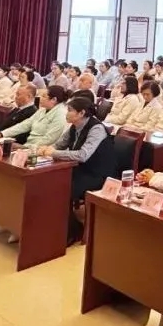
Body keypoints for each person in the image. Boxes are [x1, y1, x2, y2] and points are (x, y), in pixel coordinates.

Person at [37, 97, 116, 245]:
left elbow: (83, 155)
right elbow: (59, 145)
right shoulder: (74, 126)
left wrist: (53, 153)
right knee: (46, 181)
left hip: (96, 174)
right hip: (78, 169)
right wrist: (46, 149)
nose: (66, 113)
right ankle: (48, 226)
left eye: (70, 110)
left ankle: (74, 231)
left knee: (61, 190)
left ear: (81, 113)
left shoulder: (96, 129)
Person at [0, 85, 68, 147]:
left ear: (54, 100)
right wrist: (1, 134)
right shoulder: (43, 110)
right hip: (28, 145)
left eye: (44, 96)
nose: (40, 98)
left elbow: (49, 139)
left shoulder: (60, 114)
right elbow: (25, 125)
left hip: (40, 150)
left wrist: (26, 148)